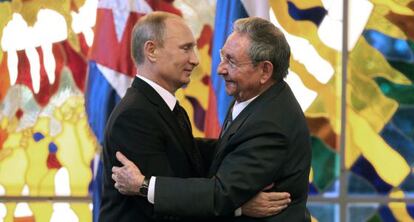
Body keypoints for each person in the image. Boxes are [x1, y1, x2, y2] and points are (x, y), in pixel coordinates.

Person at [112, 16, 312, 221]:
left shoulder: (270, 122)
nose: (219, 69)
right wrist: (238, 206)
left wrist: (143, 185)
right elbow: (226, 150)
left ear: (264, 71)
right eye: (223, 57)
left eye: (231, 61)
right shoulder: (254, 98)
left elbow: (221, 193)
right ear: (151, 50)